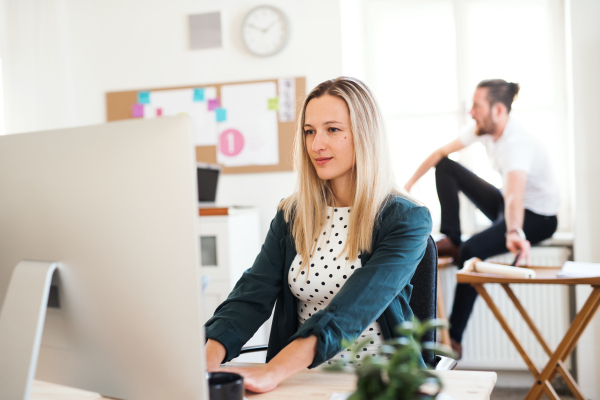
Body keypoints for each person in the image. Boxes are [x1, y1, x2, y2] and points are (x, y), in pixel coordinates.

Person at [204, 77, 432, 393]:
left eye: (332, 130)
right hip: (300, 380)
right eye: (309, 131)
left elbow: (350, 309)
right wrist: (204, 362)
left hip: (377, 383)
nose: (316, 145)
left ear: (365, 136)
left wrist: (272, 371)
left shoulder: (405, 219)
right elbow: (250, 296)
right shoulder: (292, 214)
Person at [404, 79, 559, 358]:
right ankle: (451, 236)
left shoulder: (517, 143)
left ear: (498, 110)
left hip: (538, 217)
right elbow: (439, 154)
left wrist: (513, 233)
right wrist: (408, 185)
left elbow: (514, 197)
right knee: (446, 167)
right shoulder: (484, 129)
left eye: (477, 106)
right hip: (508, 205)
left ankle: (455, 340)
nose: (471, 112)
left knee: (472, 250)